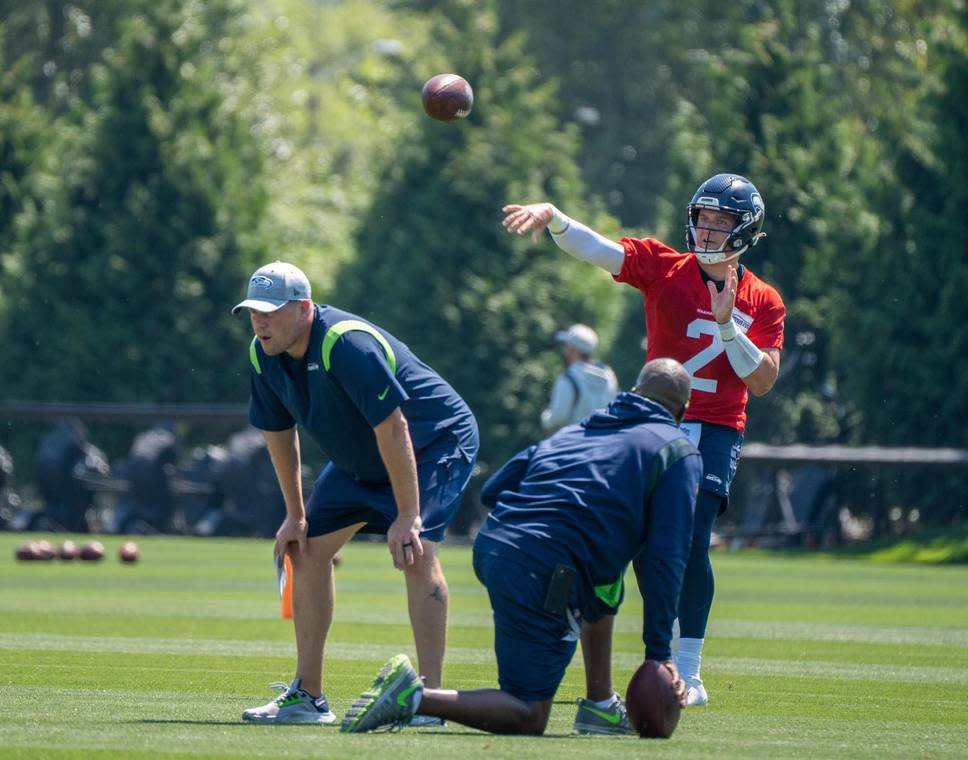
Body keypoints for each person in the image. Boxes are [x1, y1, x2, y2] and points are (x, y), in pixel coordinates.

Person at [500, 173, 786, 707]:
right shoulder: (665, 267)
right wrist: (556, 217)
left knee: (691, 543)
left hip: (713, 430)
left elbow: (763, 381)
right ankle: (575, 654)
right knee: (617, 542)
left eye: (720, 221)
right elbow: (600, 250)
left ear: (745, 230)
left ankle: (690, 672)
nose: (706, 230)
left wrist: (728, 327)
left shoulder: (762, 300)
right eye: (702, 218)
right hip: (651, 424)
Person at [339, 358, 700, 735]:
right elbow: (665, 559)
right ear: (683, 411)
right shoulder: (677, 451)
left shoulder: (577, 430)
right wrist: (659, 653)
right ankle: (414, 697)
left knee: (605, 581)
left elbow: (496, 488)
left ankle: (600, 704)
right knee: (528, 711)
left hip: (496, 544)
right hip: (543, 564)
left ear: (634, 392)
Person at [233, 261, 479, 725]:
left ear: (304, 308)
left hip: (431, 444)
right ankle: (308, 697)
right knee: (304, 550)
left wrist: (407, 515)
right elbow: (278, 431)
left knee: (416, 550)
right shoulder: (261, 353)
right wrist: (295, 514)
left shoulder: (344, 342)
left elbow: (394, 425)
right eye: (253, 312)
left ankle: (431, 702)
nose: (260, 321)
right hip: (363, 458)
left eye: (271, 310)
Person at [541, 323, 619, 436]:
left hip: (571, 445)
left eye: (566, 346)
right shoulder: (609, 375)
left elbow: (557, 418)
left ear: (573, 350)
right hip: (601, 444)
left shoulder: (568, 378)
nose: (564, 350)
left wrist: (545, 417)